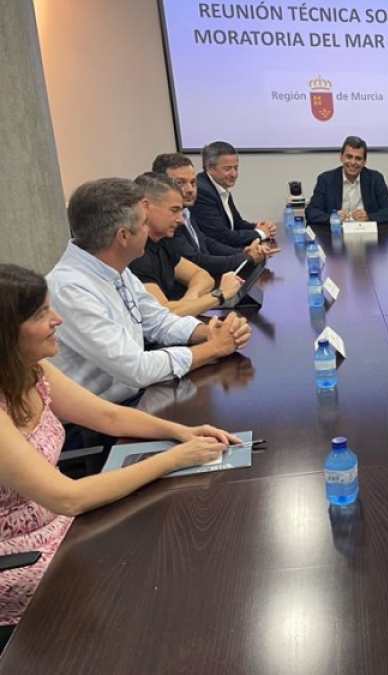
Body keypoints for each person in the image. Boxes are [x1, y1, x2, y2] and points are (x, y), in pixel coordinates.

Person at [0, 264, 238, 643]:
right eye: (42, 314)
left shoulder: (33, 370)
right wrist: (173, 459)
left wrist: (180, 432)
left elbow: (108, 416)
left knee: (164, 552)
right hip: (21, 558)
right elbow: (68, 497)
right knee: (145, 580)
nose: (57, 319)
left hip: (63, 525)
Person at [47, 178, 251, 404]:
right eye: (145, 223)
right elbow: (137, 368)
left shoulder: (114, 268)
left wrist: (207, 332)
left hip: (132, 398)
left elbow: (158, 321)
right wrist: (214, 348)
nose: (148, 230)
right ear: (123, 236)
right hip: (100, 416)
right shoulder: (70, 289)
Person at [129, 173, 245, 316]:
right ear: (146, 207)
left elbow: (202, 276)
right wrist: (220, 294)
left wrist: (188, 304)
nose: (181, 220)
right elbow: (163, 315)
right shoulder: (135, 254)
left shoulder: (163, 242)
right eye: (174, 210)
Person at [151, 153, 272, 276]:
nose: (190, 189)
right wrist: (248, 257)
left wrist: (243, 252)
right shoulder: (166, 221)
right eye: (180, 183)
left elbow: (206, 242)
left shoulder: (186, 211)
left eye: (193, 182)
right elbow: (197, 261)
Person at [191, 141, 277, 247]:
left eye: (236, 168)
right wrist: (261, 233)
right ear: (210, 168)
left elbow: (237, 223)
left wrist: (257, 227)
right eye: (227, 169)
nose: (234, 174)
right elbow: (221, 236)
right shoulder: (202, 191)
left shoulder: (220, 186)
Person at [305, 136, 388, 225]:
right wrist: (332, 218)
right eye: (349, 157)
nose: (353, 162)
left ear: (364, 161)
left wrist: (368, 217)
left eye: (358, 158)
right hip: (336, 232)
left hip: (365, 231)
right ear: (341, 157)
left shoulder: (375, 179)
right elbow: (311, 212)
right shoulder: (326, 180)